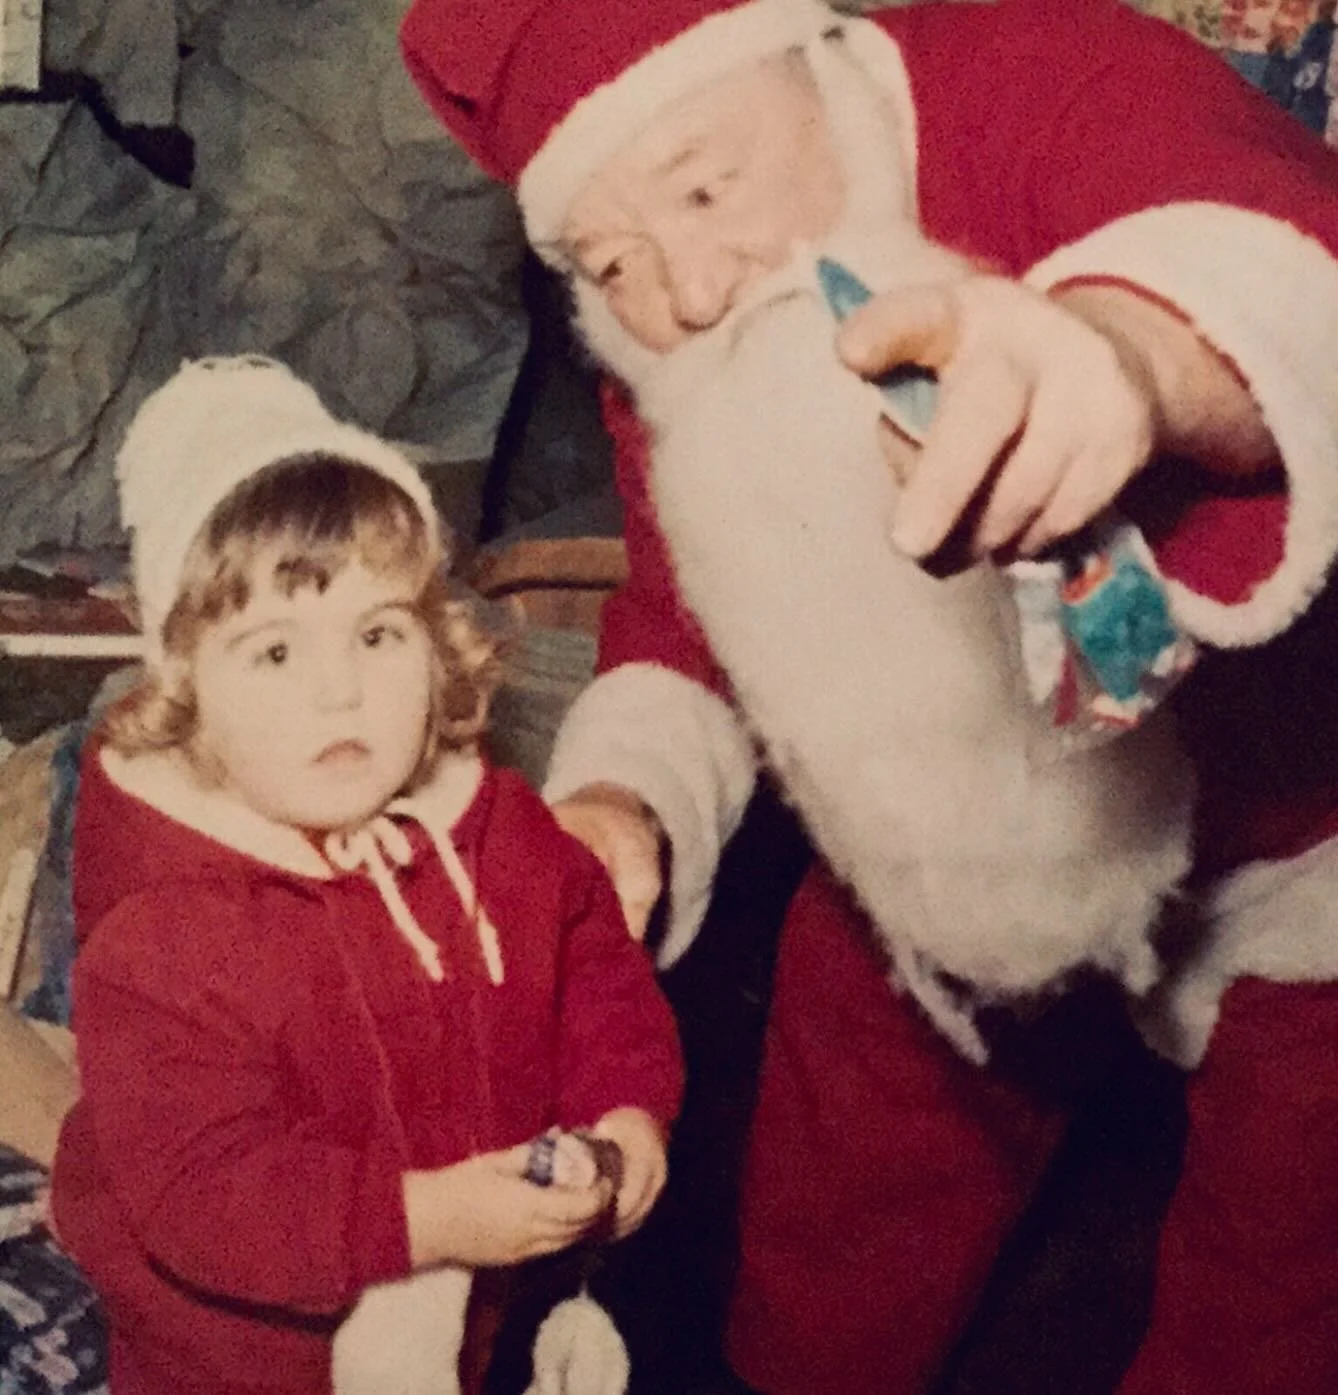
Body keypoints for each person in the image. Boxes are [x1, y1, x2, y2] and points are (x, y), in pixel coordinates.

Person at [401, 0, 1338, 1391]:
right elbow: (693, 605)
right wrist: (625, 802)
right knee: (844, 1172)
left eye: (705, 186)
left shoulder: (1040, 70)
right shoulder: (676, 337)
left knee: (1281, 1266)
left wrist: (1125, 359)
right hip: (964, 837)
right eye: (612, 260)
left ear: (811, 57)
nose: (690, 287)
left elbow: (1279, 263)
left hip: (1303, 813)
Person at [48, 355, 684, 1395]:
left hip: (470, 1319)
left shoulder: (497, 829)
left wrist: (625, 1113)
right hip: (238, 1360)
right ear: (185, 693)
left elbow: (594, 969)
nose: (340, 689)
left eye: (379, 633)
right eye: (275, 653)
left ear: (438, 647)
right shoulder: (162, 938)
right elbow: (203, 1194)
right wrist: (425, 1218)